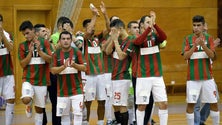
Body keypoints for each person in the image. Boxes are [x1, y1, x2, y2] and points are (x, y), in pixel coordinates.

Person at [182, 15, 220, 125]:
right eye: (194, 25)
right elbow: (185, 56)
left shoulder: (209, 39)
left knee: (214, 103)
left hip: (208, 78)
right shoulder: (187, 39)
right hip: (192, 78)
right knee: (191, 104)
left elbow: (212, 56)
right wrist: (194, 46)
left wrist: (203, 44)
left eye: (199, 25)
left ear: (203, 26)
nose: (196, 27)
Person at [133, 11, 168, 125]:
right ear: (142, 25)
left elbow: (164, 37)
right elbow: (138, 42)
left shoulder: (155, 37)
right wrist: (149, 29)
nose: (150, 23)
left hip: (157, 76)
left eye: (150, 21)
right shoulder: (138, 37)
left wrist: (155, 24)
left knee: (163, 104)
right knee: (142, 105)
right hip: (143, 77)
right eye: (147, 22)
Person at [18, 20, 53, 125]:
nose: (26, 36)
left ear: (33, 30)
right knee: (26, 99)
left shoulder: (45, 42)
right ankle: (28, 104)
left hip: (42, 81)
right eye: (24, 34)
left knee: (39, 109)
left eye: (28, 33)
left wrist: (40, 51)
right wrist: (30, 53)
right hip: (28, 79)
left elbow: (50, 60)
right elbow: (22, 64)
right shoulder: (22, 46)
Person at [50, 31, 86, 125]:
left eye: (68, 39)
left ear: (71, 40)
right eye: (63, 39)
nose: (66, 41)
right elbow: (53, 70)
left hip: (77, 90)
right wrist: (63, 67)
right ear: (60, 41)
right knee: (64, 117)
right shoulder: (55, 54)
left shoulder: (77, 52)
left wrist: (74, 65)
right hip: (62, 91)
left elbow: (85, 68)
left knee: (78, 114)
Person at [104, 19, 136, 125]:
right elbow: (107, 51)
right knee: (115, 104)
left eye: (114, 31)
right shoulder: (118, 40)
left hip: (123, 77)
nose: (112, 33)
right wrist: (113, 39)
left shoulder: (130, 40)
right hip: (114, 76)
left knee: (122, 104)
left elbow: (122, 56)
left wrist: (116, 41)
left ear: (120, 29)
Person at [80, 5, 107, 125]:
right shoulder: (83, 39)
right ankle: (85, 122)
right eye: (90, 26)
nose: (93, 28)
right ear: (85, 29)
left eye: (94, 26)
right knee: (88, 101)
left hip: (100, 74)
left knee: (102, 101)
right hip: (88, 75)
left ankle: (100, 123)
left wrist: (105, 14)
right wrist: (95, 15)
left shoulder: (97, 39)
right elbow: (89, 31)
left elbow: (109, 29)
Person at [193, 22, 221, 125]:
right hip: (197, 75)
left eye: (206, 28)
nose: (205, 30)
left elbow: (214, 57)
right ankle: (197, 122)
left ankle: (201, 120)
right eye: (203, 29)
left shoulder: (209, 41)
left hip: (209, 76)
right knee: (196, 104)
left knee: (214, 99)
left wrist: (213, 46)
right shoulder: (193, 41)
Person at [0, 14, 15, 125]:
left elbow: (10, 48)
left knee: (11, 99)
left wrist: (2, 35)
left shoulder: (8, 34)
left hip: (7, 72)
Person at [127, 20, 139, 125]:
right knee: (131, 100)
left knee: (140, 99)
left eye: (138, 27)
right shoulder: (128, 40)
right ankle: (132, 121)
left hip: (141, 74)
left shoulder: (141, 40)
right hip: (129, 74)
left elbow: (163, 43)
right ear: (129, 30)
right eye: (134, 27)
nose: (137, 29)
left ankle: (139, 120)